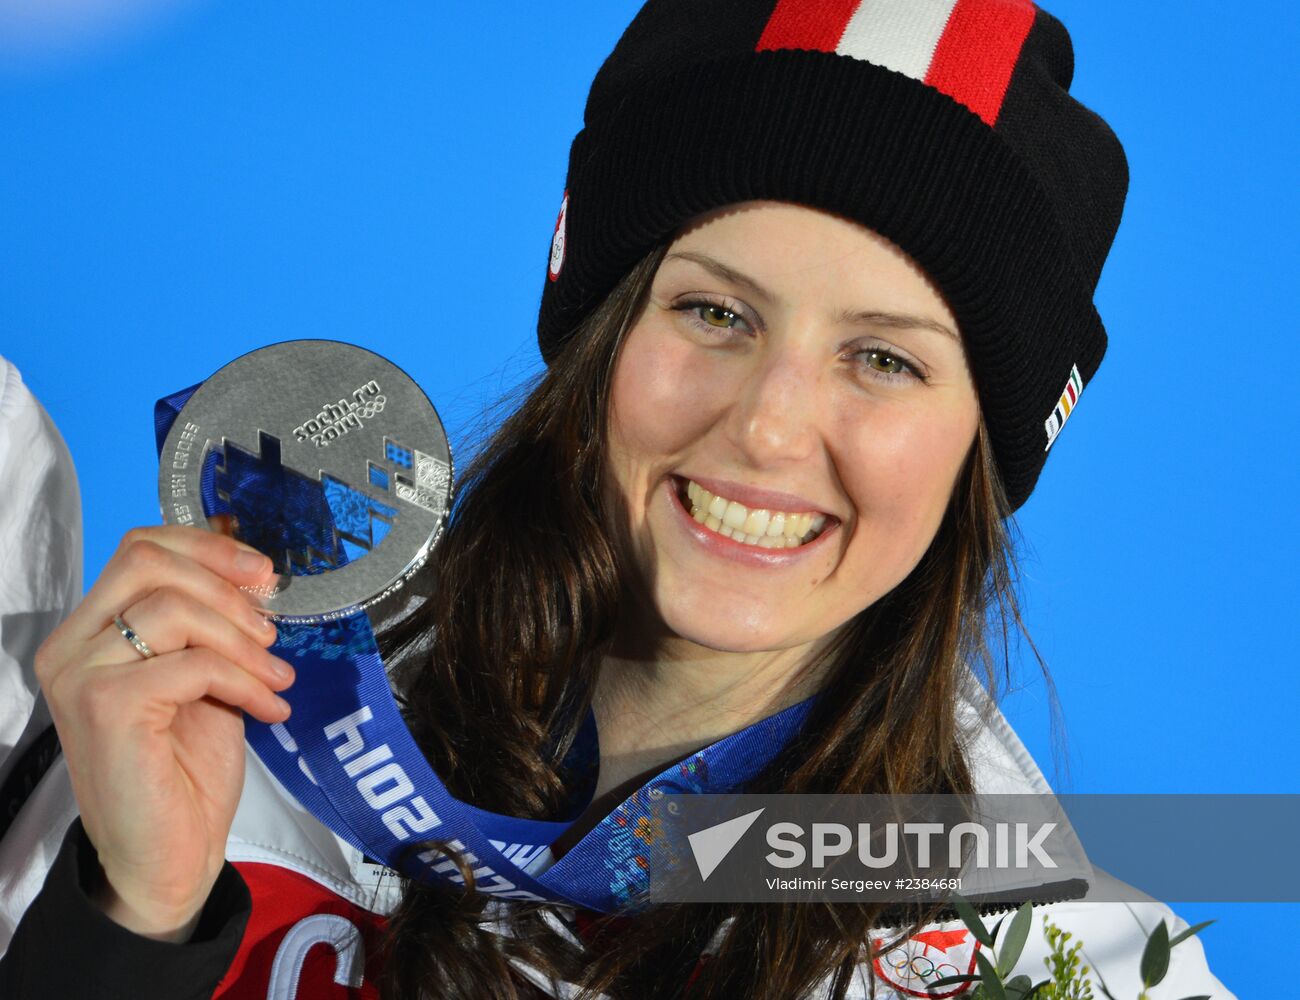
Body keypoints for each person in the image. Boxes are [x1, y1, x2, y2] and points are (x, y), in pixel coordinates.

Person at [0, 2, 1233, 997]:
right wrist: (129, 927)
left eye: (882, 359)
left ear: (980, 450)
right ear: (598, 334)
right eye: (715, 312)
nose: (766, 425)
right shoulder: (214, 720)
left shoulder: (1055, 970)